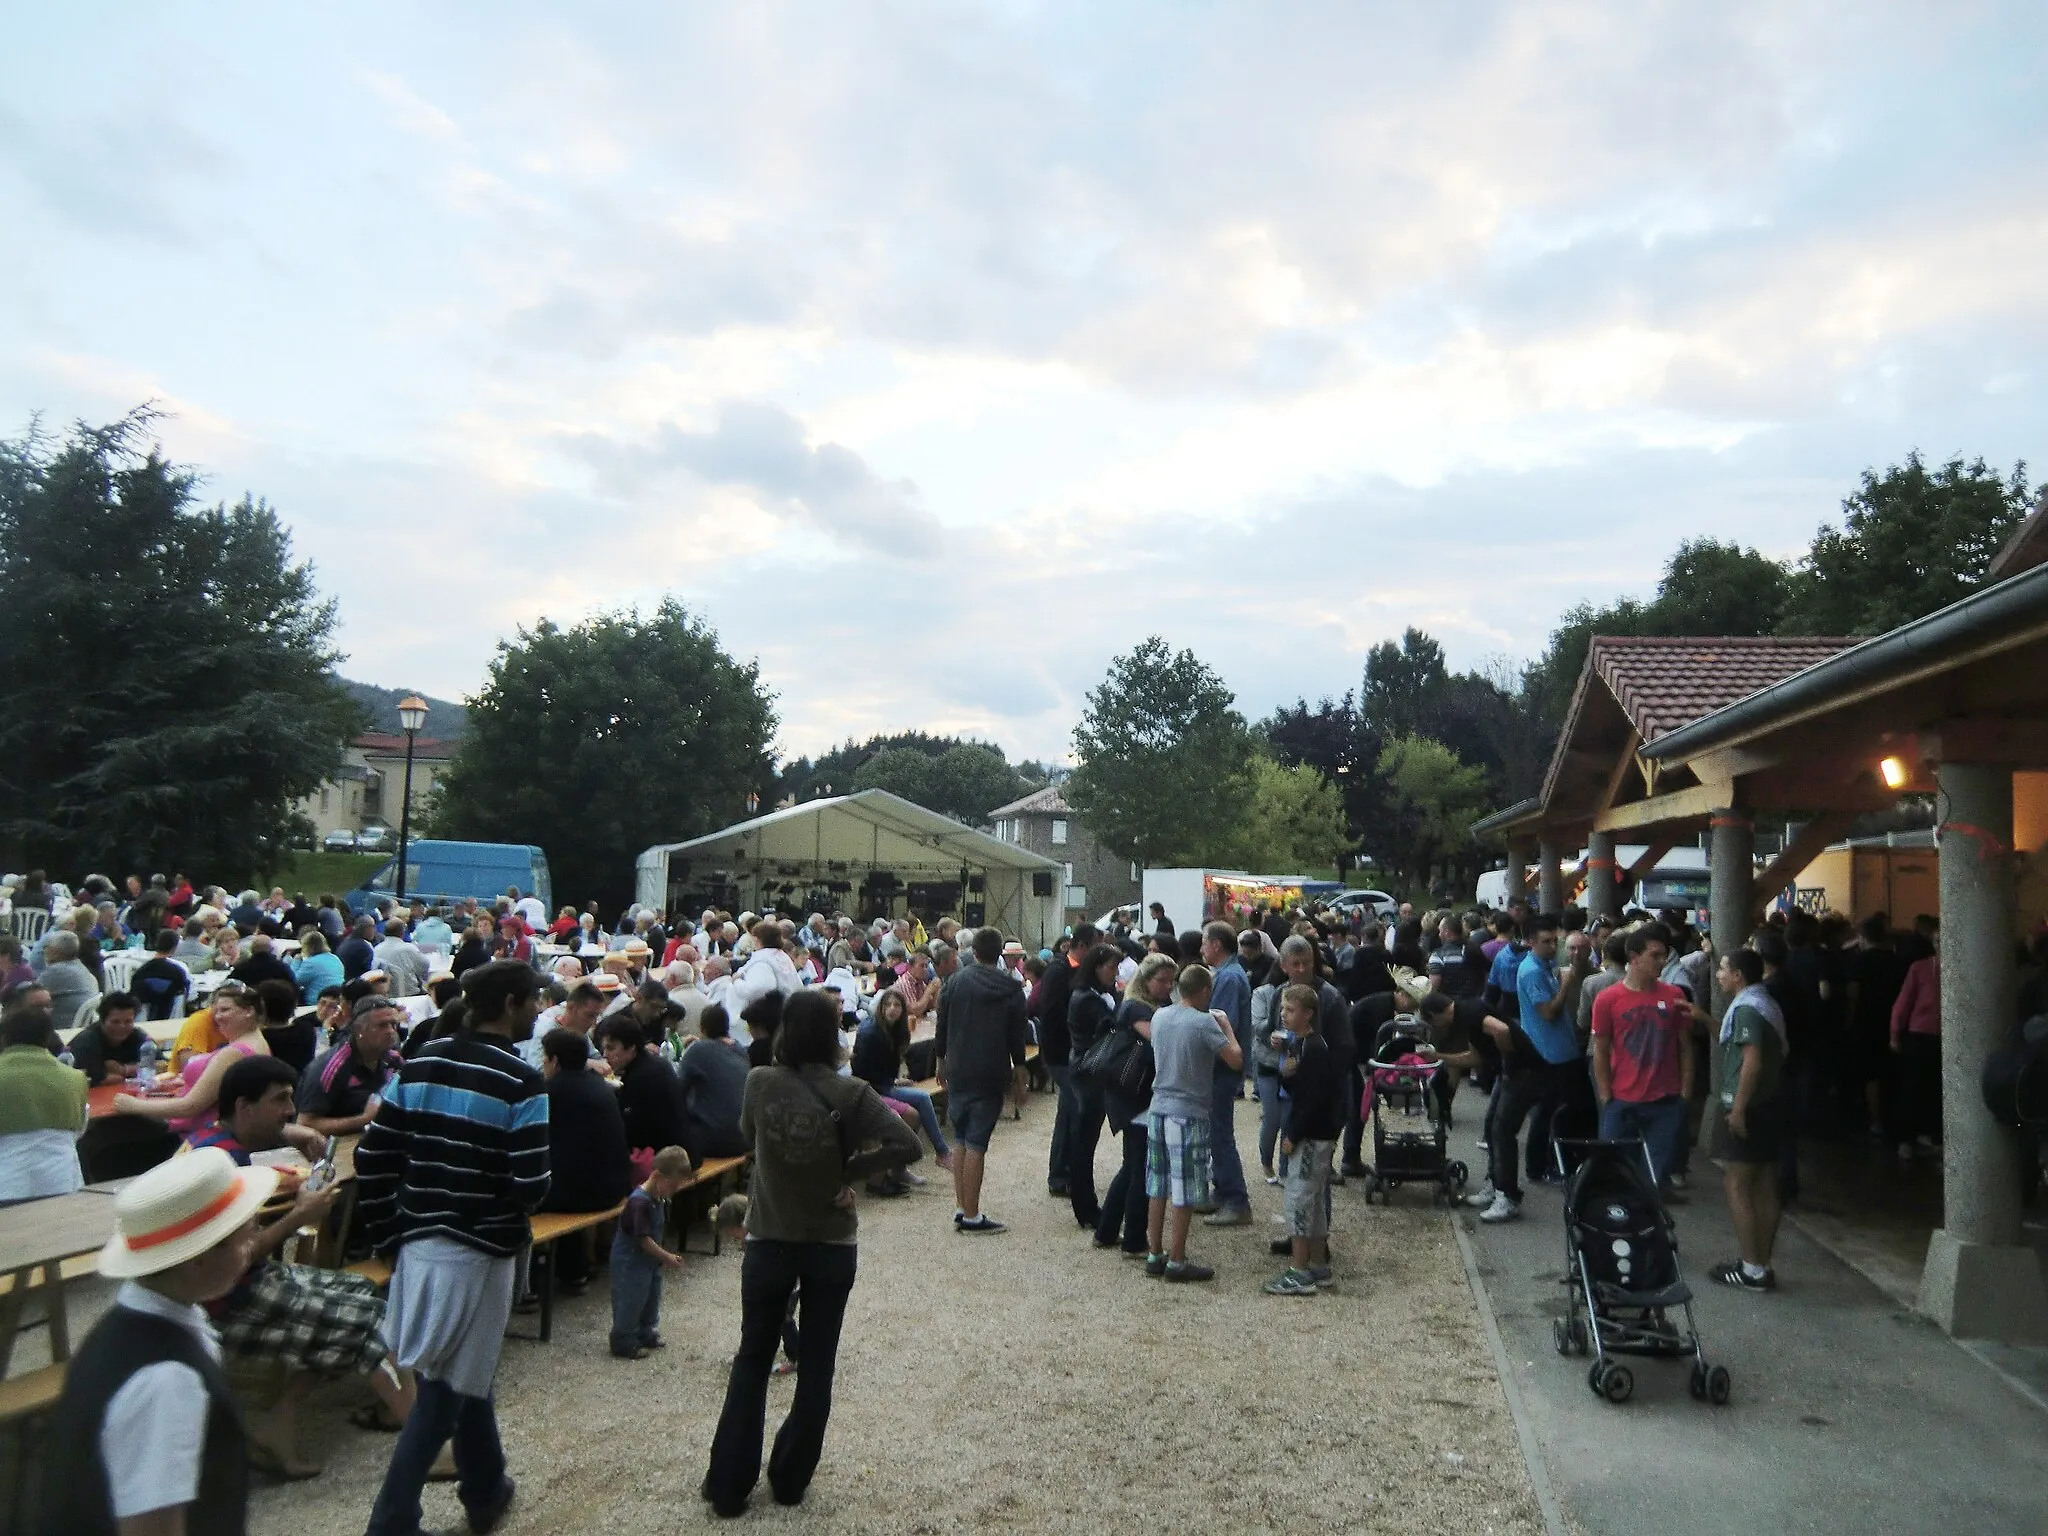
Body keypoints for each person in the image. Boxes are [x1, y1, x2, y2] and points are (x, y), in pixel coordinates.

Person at [701, 987, 920, 1517]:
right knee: (818, 1361)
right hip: (829, 1240)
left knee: (752, 1356)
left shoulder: (759, 1082)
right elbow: (907, 1144)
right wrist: (846, 1173)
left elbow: (749, 1137)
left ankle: (730, 1484)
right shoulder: (852, 1093)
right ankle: (791, 1478)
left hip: (771, 1236)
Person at [359, 959, 550, 1536]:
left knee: (467, 1373)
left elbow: (373, 1156)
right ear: (513, 1002)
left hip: (419, 1241)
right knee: (443, 1390)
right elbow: (532, 1185)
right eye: (534, 1002)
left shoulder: (419, 1063)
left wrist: (387, 1235)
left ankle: (486, 1487)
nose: (539, 1012)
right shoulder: (521, 1079)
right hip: (481, 1250)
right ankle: (391, 1520)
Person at [187, 1054, 422, 1471]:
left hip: (246, 1283)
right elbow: (235, 1261)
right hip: (227, 1302)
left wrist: (289, 1131)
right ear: (243, 1106)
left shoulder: (215, 1143)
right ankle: (426, 1443)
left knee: (362, 1289)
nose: (290, 1110)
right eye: (280, 1100)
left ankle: (281, 1420)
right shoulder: (221, 1167)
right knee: (366, 1319)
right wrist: (300, 1215)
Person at [40, 1146, 278, 1535]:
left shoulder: (132, 1326)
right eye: (243, 1239)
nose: (251, 1249)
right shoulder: (166, 1380)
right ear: (197, 1260)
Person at [1478, 914, 1591, 1224]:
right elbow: (1550, 1012)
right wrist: (1567, 982)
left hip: (1558, 1052)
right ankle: (1530, 1172)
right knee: (1541, 1115)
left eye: (1555, 940)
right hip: (1546, 1055)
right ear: (1529, 942)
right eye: (1546, 942)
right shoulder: (1531, 971)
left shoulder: (1544, 968)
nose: (1553, 946)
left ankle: (1535, 1170)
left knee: (1554, 1112)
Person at [1143, 964, 1242, 1282]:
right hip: (1189, 1112)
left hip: (1158, 1108)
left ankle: (1154, 1251)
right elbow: (1235, 1059)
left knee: (1157, 1185)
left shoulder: (1160, 1016)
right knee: (1184, 1189)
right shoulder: (1203, 1023)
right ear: (1203, 992)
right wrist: (1226, 1026)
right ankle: (1177, 1259)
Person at [1590, 928, 1702, 1200]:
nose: (1662, 961)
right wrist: (1606, 1094)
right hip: (1622, 1099)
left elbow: (1686, 1046)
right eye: (1655, 955)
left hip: (1665, 1100)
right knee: (1616, 1169)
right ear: (1634, 957)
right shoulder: (1608, 999)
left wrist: (1685, 1092)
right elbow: (1600, 1050)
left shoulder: (1674, 994)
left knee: (1654, 1174)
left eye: (1664, 955)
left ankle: (1648, 1224)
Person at [934, 926, 1030, 1234]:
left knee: (961, 1138)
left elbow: (942, 1024)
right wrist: (1020, 1072)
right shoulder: (1011, 988)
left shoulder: (955, 981)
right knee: (976, 1142)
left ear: (973, 952)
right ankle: (973, 1215)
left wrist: (940, 1059)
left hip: (959, 1066)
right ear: (1000, 952)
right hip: (991, 1069)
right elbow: (1017, 1036)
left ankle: (962, 1207)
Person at [1712, 947, 1787, 1290]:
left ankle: (1751, 1269)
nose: (1719, 975)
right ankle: (1762, 1263)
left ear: (1739, 974)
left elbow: (1751, 1062)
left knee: (1738, 1184)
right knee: (1766, 1185)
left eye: (1723, 969)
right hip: (1771, 1105)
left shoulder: (1746, 1009)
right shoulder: (1766, 1003)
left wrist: (1738, 1108)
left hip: (1751, 1108)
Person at [539, 1026, 634, 1293]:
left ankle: (534, 1285)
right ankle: (575, 1272)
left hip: (584, 1194)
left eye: (545, 1057)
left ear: (555, 1060)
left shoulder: (550, 1091)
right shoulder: (600, 1087)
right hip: (615, 1187)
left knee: (533, 1192)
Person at [1264, 982, 1342, 1296]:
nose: (1284, 1014)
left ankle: (1299, 1269)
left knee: (1298, 1199)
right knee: (1314, 1202)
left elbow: (1311, 1098)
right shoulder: (1304, 1045)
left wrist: (1292, 1135)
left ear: (1308, 1014)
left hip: (1310, 1135)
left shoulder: (1313, 1048)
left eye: (1291, 1010)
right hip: (1317, 1133)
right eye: (1283, 1008)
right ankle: (1318, 1264)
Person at [120, 984, 271, 1141]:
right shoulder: (257, 1042)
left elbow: (189, 1107)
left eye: (225, 1010)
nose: (217, 1016)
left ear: (249, 1011)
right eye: (217, 1010)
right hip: (218, 1127)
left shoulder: (235, 1052)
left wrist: (132, 1105)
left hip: (198, 1134)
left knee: (112, 1129)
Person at [1095, 954, 1172, 1256]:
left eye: (1170, 981)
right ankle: (1134, 1240)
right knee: (1141, 1169)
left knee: (1132, 1166)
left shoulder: (1150, 1006)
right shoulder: (1137, 1008)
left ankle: (1107, 1229)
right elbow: (1160, 1042)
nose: (1167, 986)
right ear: (1146, 979)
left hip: (1136, 1092)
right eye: (1161, 980)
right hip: (1136, 1093)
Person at [851, 989, 953, 1171]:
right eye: (888, 1005)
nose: (892, 1009)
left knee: (919, 1098)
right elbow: (862, 1071)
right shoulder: (871, 1033)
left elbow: (887, 1068)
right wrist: (893, 1081)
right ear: (881, 1008)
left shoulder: (895, 1030)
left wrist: (895, 1080)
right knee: (920, 1100)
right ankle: (942, 1153)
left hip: (884, 1084)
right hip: (871, 1090)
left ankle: (903, 1168)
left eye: (897, 1005)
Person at [610, 1145, 692, 1360]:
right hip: (631, 1260)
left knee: (651, 1295)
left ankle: (645, 1331)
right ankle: (623, 1338)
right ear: (657, 1176)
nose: (673, 1191)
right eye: (672, 1186)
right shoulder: (639, 1202)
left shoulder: (658, 1199)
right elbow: (642, 1239)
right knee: (631, 1297)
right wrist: (666, 1256)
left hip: (649, 1262)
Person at [1062, 943, 1123, 1229]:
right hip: (1088, 1072)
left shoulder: (1095, 994)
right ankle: (1084, 1205)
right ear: (1096, 967)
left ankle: (1085, 1203)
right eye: (1111, 967)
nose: (1115, 973)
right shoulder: (1087, 998)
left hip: (1090, 1069)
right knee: (1084, 1141)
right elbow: (1111, 1027)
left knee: (1086, 1138)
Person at [0, 1006, 87, 1202]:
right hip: (62, 1180)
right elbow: (80, 1129)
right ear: (49, 1037)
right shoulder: (75, 1078)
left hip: (6, 1184)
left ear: (3, 1037)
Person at [1199, 920, 1254, 1226]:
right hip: (1220, 1067)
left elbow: (1222, 1024)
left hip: (1223, 1067)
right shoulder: (1227, 974)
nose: (1202, 948)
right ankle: (1222, 1191)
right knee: (1215, 1131)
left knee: (1220, 1134)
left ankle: (1236, 1199)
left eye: (1205, 942)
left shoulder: (1230, 978)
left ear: (1217, 945)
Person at [1034, 922, 1092, 1198]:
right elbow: (1052, 1014)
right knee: (1071, 1111)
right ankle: (1059, 1175)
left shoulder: (1075, 970)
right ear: (1081, 945)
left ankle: (1066, 1170)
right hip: (1060, 1053)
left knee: (1071, 1111)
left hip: (1070, 1052)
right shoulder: (1058, 971)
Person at [297, 995, 406, 1136]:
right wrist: (364, 1119)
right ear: (358, 1029)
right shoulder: (332, 1067)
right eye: (382, 1025)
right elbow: (305, 1124)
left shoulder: (393, 1060)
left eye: (393, 1024)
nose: (391, 1031)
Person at [602, 1015, 688, 1161]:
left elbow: (630, 1132)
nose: (605, 1054)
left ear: (631, 1048)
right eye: (603, 1048)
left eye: (611, 1048)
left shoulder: (640, 1078)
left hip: (666, 1162)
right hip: (681, 1151)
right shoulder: (656, 1064)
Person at [676, 1006, 752, 1165]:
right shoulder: (740, 1050)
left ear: (702, 1028)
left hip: (713, 1141)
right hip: (745, 1137)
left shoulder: (697, 1050)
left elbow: (677, 1091)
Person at [1891, 939, 1942, 1157]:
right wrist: (1895, 1032)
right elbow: (1904, 1002)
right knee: (1916, 1086)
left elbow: (1904, 1002)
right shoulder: (1920, 968)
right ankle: (1908, 1137)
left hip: (1930, 1033)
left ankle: (1926, 1135)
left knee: (1928, 1087)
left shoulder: (1922, 968)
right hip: (1923, 1035)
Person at [68, 992, 146, 1086]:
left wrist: (124, 1069)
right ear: (102, 1021)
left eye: (128, 1021)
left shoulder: (137, 1036)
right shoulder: (87, 1042)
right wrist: (135, 1072)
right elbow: (97, 1080)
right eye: (115, 1022)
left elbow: (160, 1065)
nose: (122, 1026)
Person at [36, 928, 99, 1031]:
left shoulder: (56, 971)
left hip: (62, 1027)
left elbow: (32, 995)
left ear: (56, 951)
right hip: (81, 1025)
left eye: (47, 947)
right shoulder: (81, 967)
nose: (44, 950)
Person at [373, 920, 430, 999]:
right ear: (402, 932)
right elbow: (425, 965)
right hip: (410, 994)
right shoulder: (409, 949)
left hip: (385, 995)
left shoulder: (376, 949)